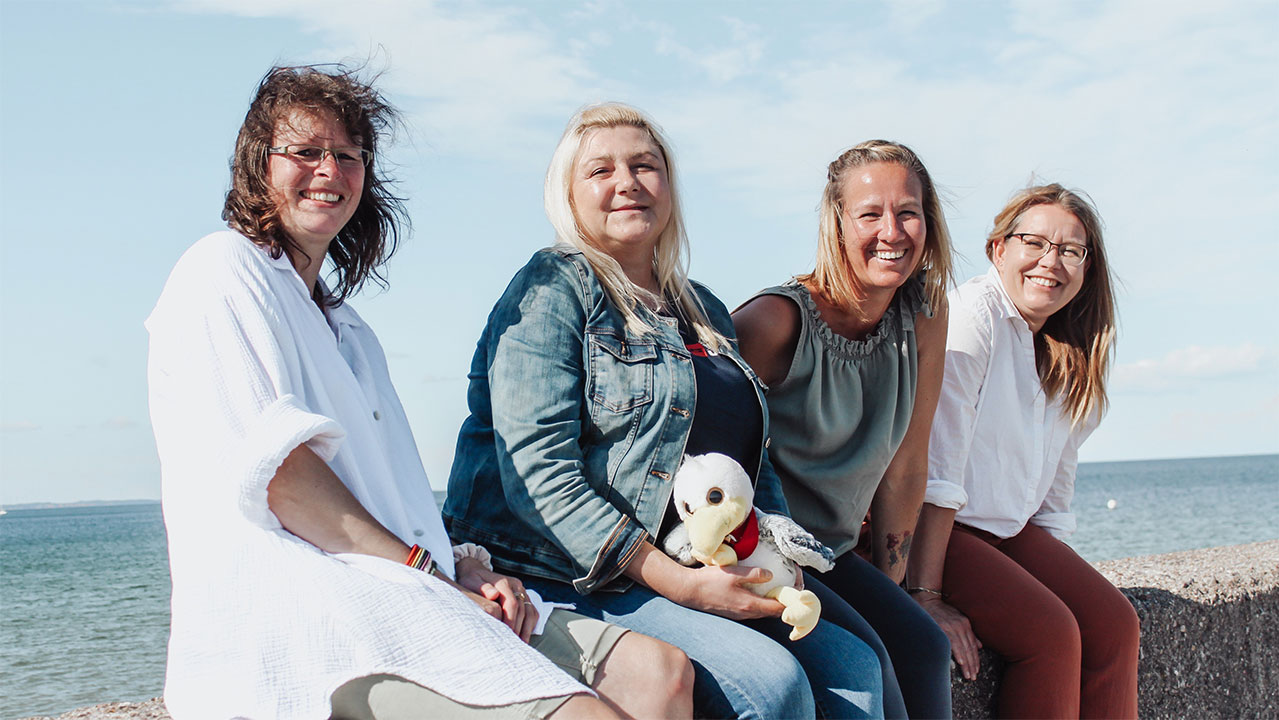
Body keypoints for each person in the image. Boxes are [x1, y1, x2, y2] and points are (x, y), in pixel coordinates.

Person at [146, 66, 692, 720]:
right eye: (305, 151)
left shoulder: (350, 332)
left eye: (348, 156)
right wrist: (427, 575)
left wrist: (462, 568)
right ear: (256, 165)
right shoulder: (221, 271)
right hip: (306, 616)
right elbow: (284, 481)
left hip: (404, 589)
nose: (329, 170)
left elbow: (391, 500)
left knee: (661, 676)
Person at [445, 102, 885, 719]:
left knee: (856, 669)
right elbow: (538, 475)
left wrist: (778, 555)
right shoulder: (552, 288)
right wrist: (681, 585)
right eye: (601, 170)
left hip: (696, 554)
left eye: (644, 166)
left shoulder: (702, 307)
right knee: (771, 684)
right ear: (568, 195)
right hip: (569, 570)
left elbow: (749, 463)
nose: (627, 182)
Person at [732, 140, 955, 719]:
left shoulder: (924, 315)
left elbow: (907, 463)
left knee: (924, 646)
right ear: (836, 224)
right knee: (870, 662)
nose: (892, 232)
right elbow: (696, 440)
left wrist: (893, 588)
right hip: (765, 551)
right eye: (870, 214)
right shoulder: (774, 322)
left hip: (835, 553)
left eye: (908, 212)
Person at [909, 184, 1139, 718]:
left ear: (1086, 267)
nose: (1050, 262)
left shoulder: (1070, 349)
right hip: (930, 526)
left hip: (1004, 532)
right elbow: (938, 469)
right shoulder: (973, 316)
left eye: (1070, 250)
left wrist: (1053, 573)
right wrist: (925, 595)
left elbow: (1054, 494)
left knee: (1114, 623)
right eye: (1034, 243)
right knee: (1051, 633)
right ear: (999, 249)